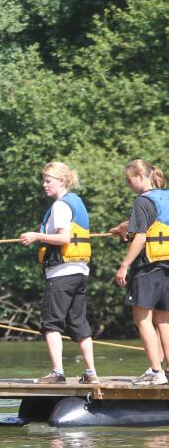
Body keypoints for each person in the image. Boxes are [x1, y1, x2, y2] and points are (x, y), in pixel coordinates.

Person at [19, 162, 98, 384]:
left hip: (62, 273)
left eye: (48, 180)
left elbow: (64, 238)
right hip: (80, 271)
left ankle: (57, 372)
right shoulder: (77, 202)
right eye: (43, 180)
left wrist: (36, 235)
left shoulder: (60, 206)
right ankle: (91, 372)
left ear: (61, 181)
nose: (44, 185)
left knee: (51, 323)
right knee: (78, 322)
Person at [112, 159, 169, 385]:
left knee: (142, 318)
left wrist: (124, 265)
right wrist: (123, 228)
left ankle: (155, 371)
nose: (129, 185)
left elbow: (143, 236)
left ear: (141, 177)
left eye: (129, 180)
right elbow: (154, 221)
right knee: (164, 320)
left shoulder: (141, 201)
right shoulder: (165, 196)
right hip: (167, 265)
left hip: (148, 266)